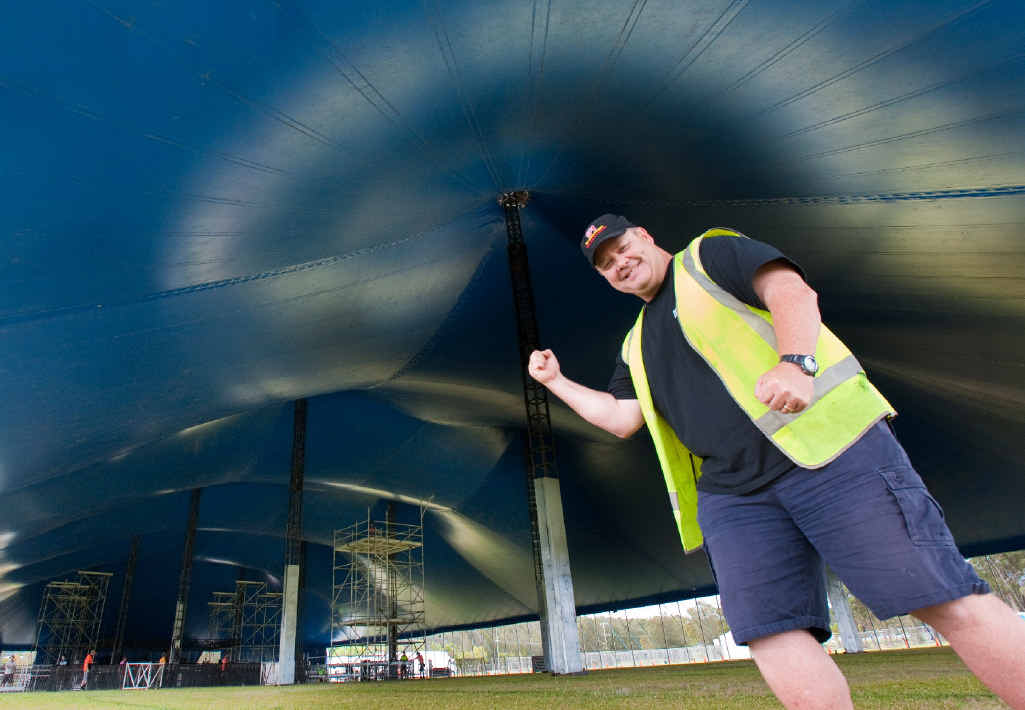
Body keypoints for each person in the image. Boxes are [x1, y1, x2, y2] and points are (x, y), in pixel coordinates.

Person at [528, 214, 1025, 710]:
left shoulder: (708, 257)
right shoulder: (634, 345)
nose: (619, 263)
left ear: (645, 236)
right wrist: (555, 382)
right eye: (606, 263)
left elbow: (791, 291)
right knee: (770, 633)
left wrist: (796, 363)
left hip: (830, 454)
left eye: (622, 247)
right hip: (733, 496)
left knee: (938, 592)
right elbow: (621, 418)